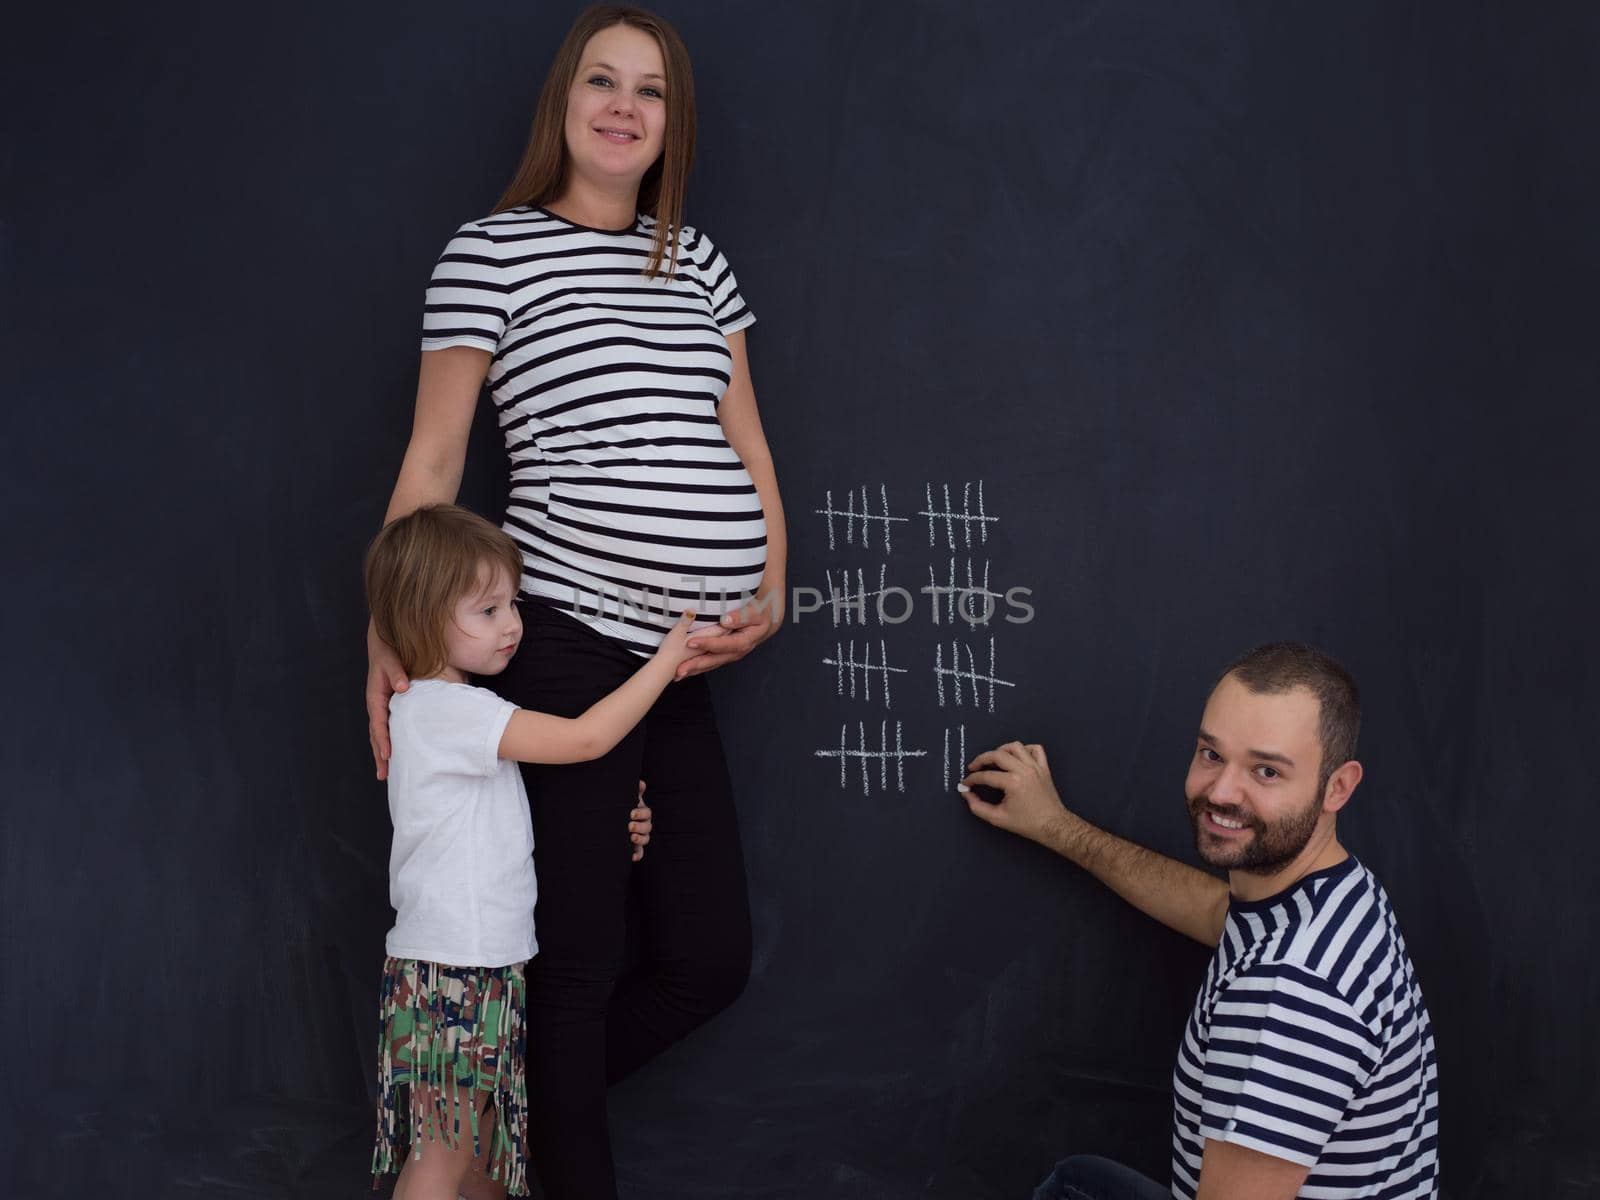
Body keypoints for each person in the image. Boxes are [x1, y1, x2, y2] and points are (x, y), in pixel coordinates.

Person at [365, 7, 787, 1196]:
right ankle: (513, 1136)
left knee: (705, 958)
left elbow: (748, 449)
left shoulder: (697, 261)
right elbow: (436, 463)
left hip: (688, 657)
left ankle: (498, 1119)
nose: (622, 105)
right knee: (583, 964)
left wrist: (773, 586)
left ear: (671, 123)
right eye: (600, 80)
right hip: (559, 635)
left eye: (648, 91)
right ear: (563, 100)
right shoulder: (491, 251)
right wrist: (389, 637)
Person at [961, 643, 1439, 1199]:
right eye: (1212, 755)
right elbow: (1218, 911)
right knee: (1077, 1183)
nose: (1221, 792)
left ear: (1338, 787)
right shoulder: (1334, 893)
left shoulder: (1290, 996)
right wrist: (1055, 826)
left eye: (1266, 770)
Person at [363, 503, 698, 1199]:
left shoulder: (444, 711)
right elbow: (584, 741)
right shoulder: (452, 711)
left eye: (513, 603)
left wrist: (619, 818)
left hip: (471, 962)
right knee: (445, 1156)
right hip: (457, 966)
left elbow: (509, 819)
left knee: (479, 1153)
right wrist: (664, 660)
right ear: (423, 615)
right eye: (487, 610)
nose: (512, 623)